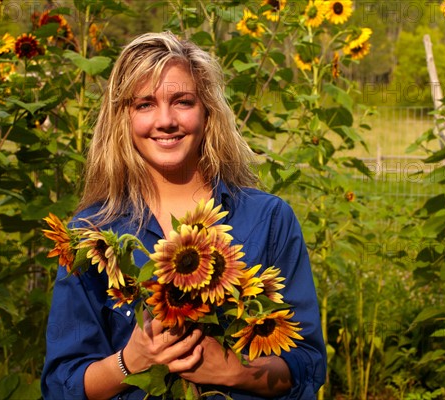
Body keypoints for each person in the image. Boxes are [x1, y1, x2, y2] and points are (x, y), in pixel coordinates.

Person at [41, 31, 326, 400]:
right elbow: (62, 385)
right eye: (144, 104)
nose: (165, 121)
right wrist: (132, 360)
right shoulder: (92, 235)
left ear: (208, 111)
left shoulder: (268, 219)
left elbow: (306, 362)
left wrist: (235, 372)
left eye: (182, 101)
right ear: (122, 120)